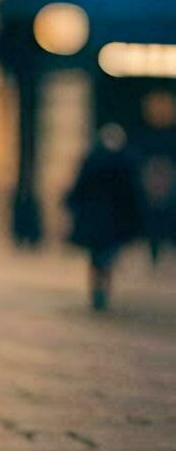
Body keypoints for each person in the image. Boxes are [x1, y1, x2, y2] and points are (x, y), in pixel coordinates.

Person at [66, 125, 144, 311]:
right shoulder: (125, 162)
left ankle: (97, 289)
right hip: (114, 220)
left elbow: (79, 188)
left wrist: (72, 205)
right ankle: (103, 288)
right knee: (107, 254)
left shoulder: (93, 159)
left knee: (96, 257)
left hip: (95, 219)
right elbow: (133, 193)